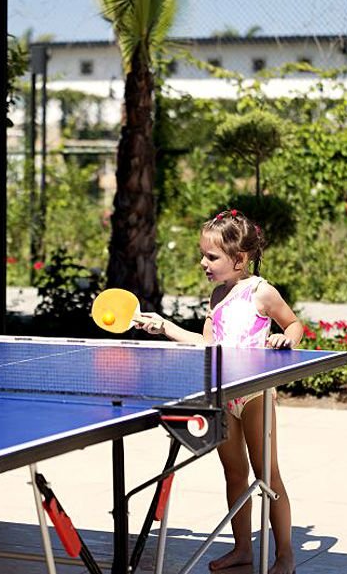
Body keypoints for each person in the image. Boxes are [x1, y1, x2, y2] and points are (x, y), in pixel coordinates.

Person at [137, 209, 303, 574]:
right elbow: (207, 344)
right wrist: (164, 326)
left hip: (256, 394)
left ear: (239, 259)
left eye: (211, 257)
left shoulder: (261, 292)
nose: (203, 262)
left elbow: (294, 324)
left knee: (267, 474)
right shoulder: (216, 296)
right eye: (203, 255)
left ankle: (285, 555)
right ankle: (243, 548)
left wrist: (285, 338)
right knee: (234, 474)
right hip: (224, 394)